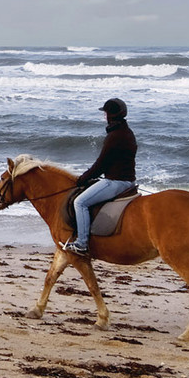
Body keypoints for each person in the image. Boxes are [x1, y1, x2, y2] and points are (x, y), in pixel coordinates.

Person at [61, 97, 138, 259]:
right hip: (128, 181)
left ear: (110, 115)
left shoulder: (115, 136)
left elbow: (100, 164)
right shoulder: (127, 132)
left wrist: (82, 178)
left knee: (79, 202)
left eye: (106, 113)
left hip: (116, 182)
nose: (104, 116)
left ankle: (82, 243)